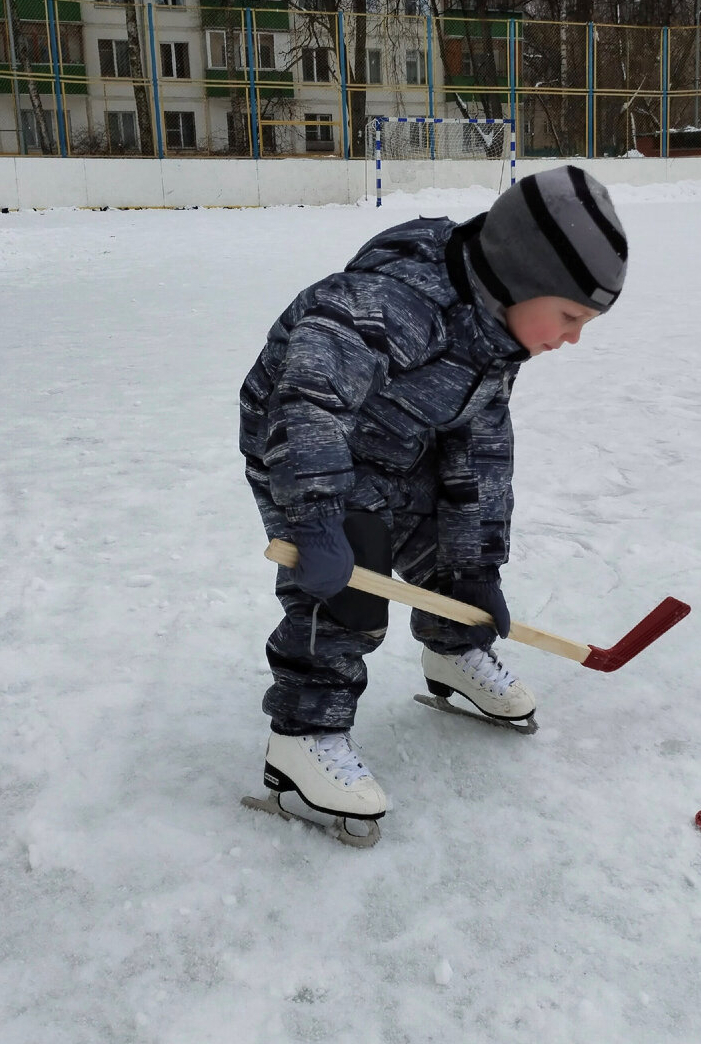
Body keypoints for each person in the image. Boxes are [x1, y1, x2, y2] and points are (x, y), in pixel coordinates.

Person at [239, 164, 629, 826]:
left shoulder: (497, 332)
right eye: (569, 315)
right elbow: (306, 397)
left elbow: (480, 451)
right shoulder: (397, 303)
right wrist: (315, 517)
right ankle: (301, 738)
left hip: (405, 440)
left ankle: (451, 650)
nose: (572, 337)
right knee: (346, 594)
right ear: (525, 276)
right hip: (305, 450)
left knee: (454, 543)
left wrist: (479, 571)